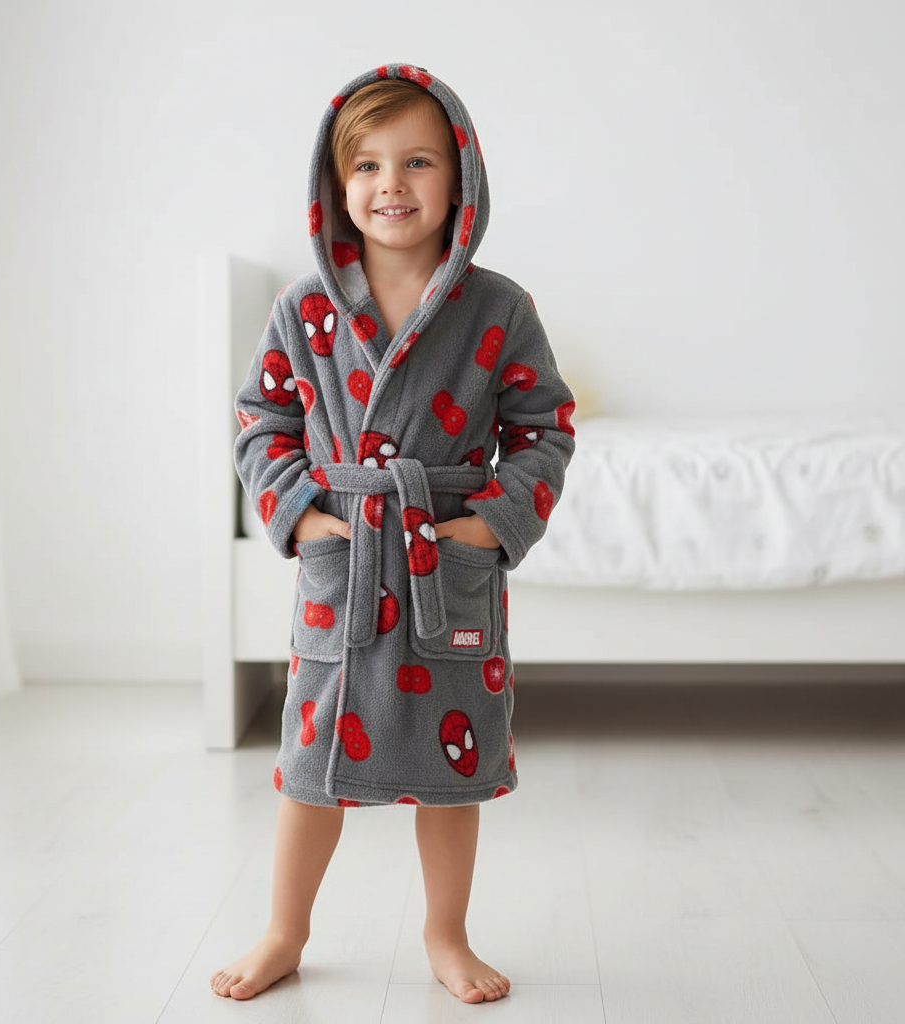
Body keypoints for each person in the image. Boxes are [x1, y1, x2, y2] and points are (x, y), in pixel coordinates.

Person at [214, 63, 576, 1004]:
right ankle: (285, 931)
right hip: (346, 558)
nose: (392, 184)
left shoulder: (499, 308)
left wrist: (487, 527)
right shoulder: (303, 309)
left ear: (460, 179)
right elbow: (261, 422)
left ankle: (446, 934)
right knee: (310, 766)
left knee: (453, 768)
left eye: (418, 162)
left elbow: (544, 428)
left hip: (441, 565)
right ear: (336, 186)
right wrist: (306, 516)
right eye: (368, 165)